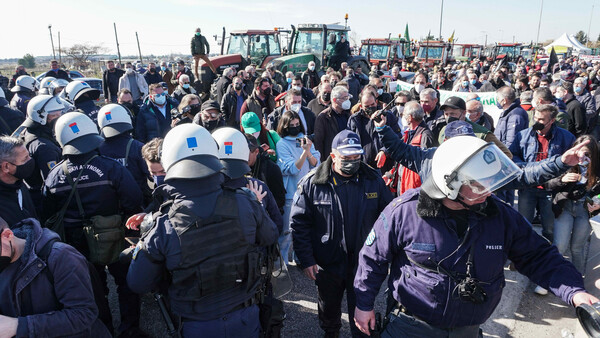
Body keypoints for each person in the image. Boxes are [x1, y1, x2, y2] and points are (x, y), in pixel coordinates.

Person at [353, 135, 599, 338]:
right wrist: (363, 305)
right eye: (479, 184)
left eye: (490, 181)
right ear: (451, 184)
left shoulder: (500, 216)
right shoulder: (405, 211)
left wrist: (574, 292)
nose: (489, 189)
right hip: (410, 328)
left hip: (467, 331)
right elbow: (372, 259)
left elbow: (539, 256)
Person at [126, 123, 278, 337]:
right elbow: (270, 236)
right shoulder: (246, 202)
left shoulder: (164, 223)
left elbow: (138, 282)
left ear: (168, 162)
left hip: (197, 324)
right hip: (245, 316)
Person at [42, 111, 144, 336]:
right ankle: (129, 329)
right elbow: (133, 200)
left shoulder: (54, 175)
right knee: (126, 283)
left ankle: (104, 328)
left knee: (92, 288)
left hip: (76, 241)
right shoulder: (112, 168)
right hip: (115, 236)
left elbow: (48, 211)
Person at [291, 129, 392, 337]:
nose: (352, 162)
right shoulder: (313, 183)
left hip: (363, 265)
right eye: (347, 158)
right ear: (333, 155)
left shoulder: (373, 179)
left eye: (357, 157)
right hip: (328, 264)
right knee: (329, 315)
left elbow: (389, 218)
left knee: (363, 320)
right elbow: (299, 223)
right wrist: (306, 259)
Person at [0, 217, 111, 337]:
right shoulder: (6, 256)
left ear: (7, 235)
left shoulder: (61, 256)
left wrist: (18, 326)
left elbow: (83, 314)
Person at [546, 135, 600, 274]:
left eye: (587, 154)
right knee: (560, 245)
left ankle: (577, 280)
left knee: (577, 247)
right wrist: (562, 179)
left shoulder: (597, 167)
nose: (582, 158)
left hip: (585, 209)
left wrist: (598, 203)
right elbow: (547, 183)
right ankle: (550, 277)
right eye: (578, 152)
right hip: (565, 206)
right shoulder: (566, 161)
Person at [276, 111, 320, 265]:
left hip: (307, 192)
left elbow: (316, 164)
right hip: (291, 193)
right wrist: (304, 152)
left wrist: (308, 151)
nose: (295, 128)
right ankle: (281, 262)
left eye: (297, 125)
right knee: (287, 231)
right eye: (291, 126)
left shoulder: (306, 141)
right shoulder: (282, 144)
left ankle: (299, 257)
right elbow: (292, 169)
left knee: (305, 229)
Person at [19, 95, 63, 217]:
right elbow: (53, 184)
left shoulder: (28, 132)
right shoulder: (45, 147)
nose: (58, 118)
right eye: (54, 115)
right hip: (44, 205)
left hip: (32, 199)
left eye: (59, 113)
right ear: (41, 116)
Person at [97, 104, 151, 199]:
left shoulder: (97, 150)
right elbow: (152, 175)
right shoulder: (137, 147)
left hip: (108, 203)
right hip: (138, 202)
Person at [348, 91, 401, 169]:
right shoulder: (355, 119)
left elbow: (398, 137)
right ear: (361, 106)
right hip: (362, 166)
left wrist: (384, 151)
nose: (370, 107)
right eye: (367, 106)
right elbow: (350, 141)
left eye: (372, 104)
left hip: (385, 166)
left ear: (376, 102)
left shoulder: (388, 116)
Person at [0, 136, 37, 227]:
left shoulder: (20, 185)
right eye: (25, 159)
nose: (30, 160)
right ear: (6, 167)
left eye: (29, 156)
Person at [246, 133, 286, 212]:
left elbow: (280, 200)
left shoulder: (271, 168)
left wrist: (260, 202)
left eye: (247, 152)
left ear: (256, 151)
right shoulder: (237, 167)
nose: (243, 156)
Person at [313, 86, 352, 161]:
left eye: (348, 98)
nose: (347, 100)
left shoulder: (348, 114)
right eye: (344, 98)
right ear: (335, 100)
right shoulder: (323, 117)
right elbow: (318, 142)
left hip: (348, 155)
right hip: (332, 158)